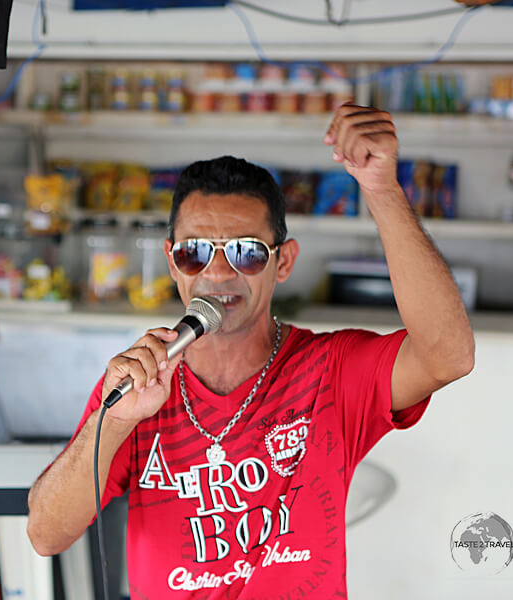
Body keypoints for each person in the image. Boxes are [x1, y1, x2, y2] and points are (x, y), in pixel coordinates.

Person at [26, 104, 475, 598]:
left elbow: (447, 354)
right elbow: (47, 534)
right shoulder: (140, 381)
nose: (217, 274)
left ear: (283, 263)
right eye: (194, 252)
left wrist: (382, 190)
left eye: (246, 252)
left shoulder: (332, 370)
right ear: (172, 264)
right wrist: (113, 422)